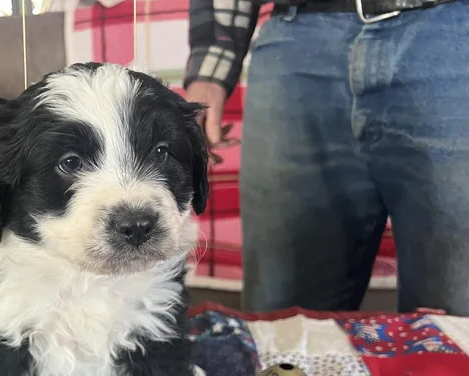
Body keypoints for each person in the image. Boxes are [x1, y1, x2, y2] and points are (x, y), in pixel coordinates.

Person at [185, 0, 469, 314]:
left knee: (458, 328)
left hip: (455, 31)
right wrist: (209, 70)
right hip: (298, 37)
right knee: (283, 331)